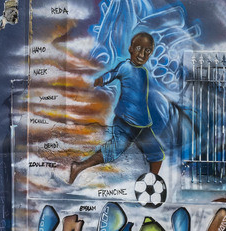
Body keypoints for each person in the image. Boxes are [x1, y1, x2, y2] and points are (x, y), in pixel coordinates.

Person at [70, 31, 165, 183]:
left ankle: (153, 182)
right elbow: (112, 74)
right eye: (139, 48)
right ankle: (78, 167)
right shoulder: (125, 66)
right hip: (125, 122)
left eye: (147, 51)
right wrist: (100, 80)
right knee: (113, 151)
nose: (142, 54)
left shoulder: (144, 71)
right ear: (131, 48)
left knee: (157, 154)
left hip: (142, 124)